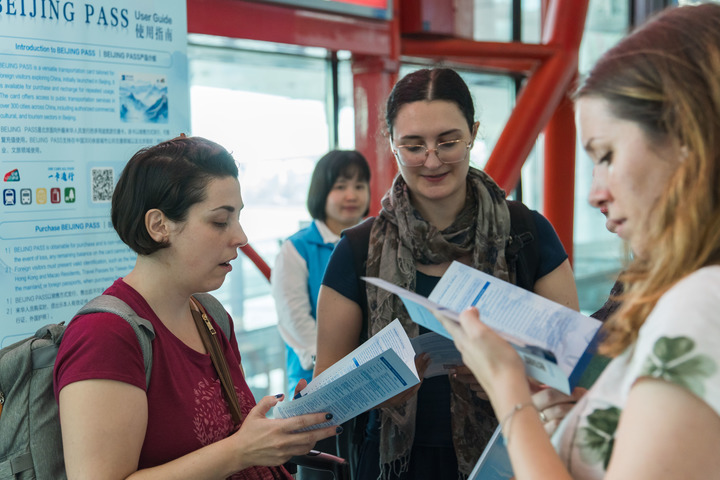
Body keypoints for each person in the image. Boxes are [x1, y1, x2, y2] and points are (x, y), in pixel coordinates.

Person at [437, 4, 720, 479]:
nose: (594, 194)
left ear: (685, 138)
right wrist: (596, 428)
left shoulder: (699, 299)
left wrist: (509, 392)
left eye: (606, 155)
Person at [314, 67, 579, 480]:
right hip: (395, 465)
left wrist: (508, 375)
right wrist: (379, 392)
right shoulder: (357, 249)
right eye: (414, 146)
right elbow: (326, 396)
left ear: (473, 132)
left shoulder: (527, 233)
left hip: (512, 455)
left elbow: (571, 366)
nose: (432, 160)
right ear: (391, 143)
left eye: (448, 142)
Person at [53, 136, 340, 479]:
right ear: (159, 226)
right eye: (220, 222)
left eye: (238, 218)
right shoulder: (104, 336)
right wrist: (242, 451)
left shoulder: (209, 313)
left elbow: (231, 435)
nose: (240, 236)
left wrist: (279, 431)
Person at [271, 150, 370, 480]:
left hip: (373, 389)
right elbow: (296, 325)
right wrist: (341, 366)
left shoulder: (376, 243)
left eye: (360, 185)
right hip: (317, 392)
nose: (352, 195)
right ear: (320, 192)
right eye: (341, 186)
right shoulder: (297, 249)